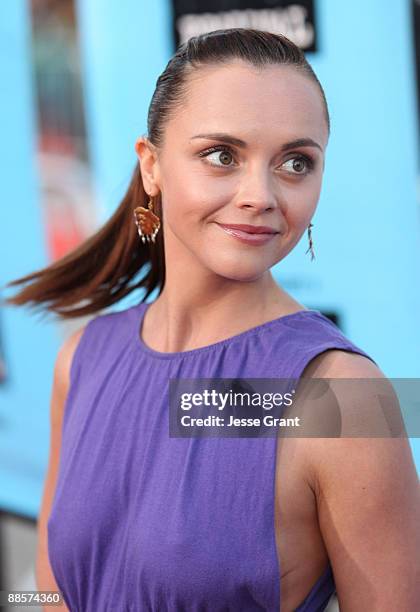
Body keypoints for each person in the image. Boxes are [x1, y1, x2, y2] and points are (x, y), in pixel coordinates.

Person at [5, 28, 419, 612]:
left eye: (296, 162)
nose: (261, 194)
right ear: (151, 165)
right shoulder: (84, 358)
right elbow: (50, 593)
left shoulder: (341, 400)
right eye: (221, 155)